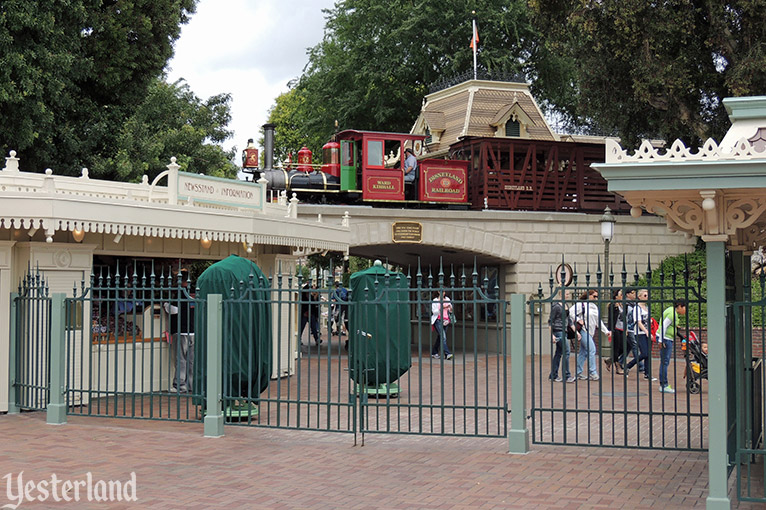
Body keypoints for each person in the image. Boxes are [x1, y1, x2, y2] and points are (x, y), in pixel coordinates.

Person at [164, 272, 195, 393]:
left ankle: (180, 385)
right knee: (191, 360)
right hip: (194, 331)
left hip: (181, 330)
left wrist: (165, 304)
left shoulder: (179, 294)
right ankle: (192, 385)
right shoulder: (193, 293)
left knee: (181, 359)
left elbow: (173, 310)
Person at [569, 289, 610, 381]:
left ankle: (578, 372)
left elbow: (598, 321)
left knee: (583, 353)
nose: (596, 298)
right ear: (588, 295)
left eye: (597, 297)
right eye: (594, 296)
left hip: (591, 332)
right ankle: (593, 372)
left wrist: (606, 331)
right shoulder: (581, 304)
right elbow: (570, 313)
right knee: (592, 349)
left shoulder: (594, 307)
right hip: (583, 330)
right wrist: (578, 319)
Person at [659, 299, 688, 394]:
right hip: (665, 339)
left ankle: (664, 384)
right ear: (680, 306)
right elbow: (664, 326)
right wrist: (661, 340)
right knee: (665, 362)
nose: (685, 310)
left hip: (666, 338)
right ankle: (664, 385)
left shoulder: (671, 311)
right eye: (685, 308)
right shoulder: (672, 314)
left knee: (664, 362)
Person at [626, 289, 655, 380]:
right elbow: (638, 322)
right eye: (645, 295)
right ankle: (628, 366)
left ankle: (648, 374)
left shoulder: (647, 308)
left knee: (648, 354)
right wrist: (646, 332)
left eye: (648, 295)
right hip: (640, 333)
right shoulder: (637, 308)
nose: (647, 297)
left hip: (647, 332)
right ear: (639, 297)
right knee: (645, 353)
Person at [548, 290, 575, 383]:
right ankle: (567, 375)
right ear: (561, 294)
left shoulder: (566, 305)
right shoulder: (556, 306)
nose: (568, 296)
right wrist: (552, 335)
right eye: (567, 294)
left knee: (559, 353)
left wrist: (577, 332)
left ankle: (554, 375)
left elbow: (569, 320)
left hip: (565, 331)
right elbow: (550, 321)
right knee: (567, 351)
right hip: (558, 331)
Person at [605, 289, 625, 373]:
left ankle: (610, 360)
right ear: (616, 296)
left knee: (623, 347)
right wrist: (610, 330)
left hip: (622, 328)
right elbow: (610, 319)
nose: (622, 296)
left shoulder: (622, 305)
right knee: (616, 347)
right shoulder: (613, 305)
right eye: (621, 294)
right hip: (615, 328)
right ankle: (617, 367)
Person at [431, 290, 453, 360]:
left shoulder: (447, 299)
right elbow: (434, 312)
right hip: (438, 320)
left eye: (444, 292)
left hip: (446, 320)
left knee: (440, 337)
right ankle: (447, 353)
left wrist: (449, 307)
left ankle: (434, 352)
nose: (443, 293)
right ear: (438, 292)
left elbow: (451, 310)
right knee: (443, 337)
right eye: (441, 291)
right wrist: (441, 308)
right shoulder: (435, 300)